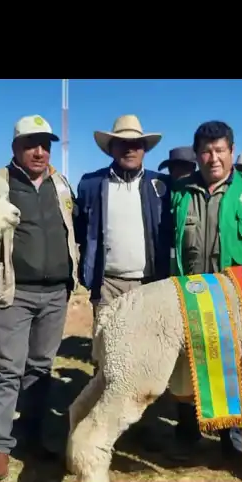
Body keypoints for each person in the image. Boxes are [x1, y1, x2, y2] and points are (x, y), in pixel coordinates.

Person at [0, 115, 78, 482]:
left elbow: (72, 228)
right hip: (14, 292)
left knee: (40, 369)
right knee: (8, 370)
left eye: (45, 144)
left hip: (56, 293)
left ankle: (33, 436)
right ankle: (0, 447)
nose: (40, 152)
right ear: (15, 148)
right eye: (32, 144)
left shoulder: (61, 183)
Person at [168, 121, 242, 460]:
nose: (213, 158)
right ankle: (186, 432)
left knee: (233, 369)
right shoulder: (180, 192)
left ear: (232, 152)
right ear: (197, 155)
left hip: (236, 300)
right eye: (206, 151)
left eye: (220, 150)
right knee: (187, 368)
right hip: (190, 295)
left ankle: (232, 437)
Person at [74, 115, 171, 328]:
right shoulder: (91, 184)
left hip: (150, 284)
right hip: (107, 284)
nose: (129, 149)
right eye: (122, 144)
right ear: (111, 148)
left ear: (144, 149)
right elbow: (79, 230)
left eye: (136, 144)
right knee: (107, 349)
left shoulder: (162, 185)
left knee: (147, 347)